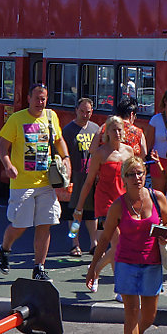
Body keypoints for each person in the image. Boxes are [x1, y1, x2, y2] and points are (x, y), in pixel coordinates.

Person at [86, 155, 167, 334]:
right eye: (131, 174)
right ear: (124, 179)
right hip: (126, 263)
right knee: (132, 312)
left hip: (152, 263)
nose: (137, 178)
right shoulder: (118, 206)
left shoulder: (157, 197)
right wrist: (93, 268)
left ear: (145, 174)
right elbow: (105, 239)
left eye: (140, 173)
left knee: (149, 316)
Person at [0, 83, 70, 281]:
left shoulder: (51, 116)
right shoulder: (16, 119)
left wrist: (66, 158)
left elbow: (59, 140)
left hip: (46, 182)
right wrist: (8, 165)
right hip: (22, 184)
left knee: (46, 223)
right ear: (28, 98)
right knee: (20, 225)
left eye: (43, 98)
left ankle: (39, 267)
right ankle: (4, 249)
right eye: (37, 98)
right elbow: (2, 147)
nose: (40, 102)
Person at [75, 117, 139, 280]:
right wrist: (79, 208)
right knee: (117, 243)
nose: (117, 133)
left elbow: (133, 178)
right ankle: (120, 285)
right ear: (107, 133)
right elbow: (89, 182)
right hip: (105, 202)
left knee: (126, 243)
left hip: (124, 200)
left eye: (119, 130)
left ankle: (95, 269)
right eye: (113, 130)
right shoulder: (100, 153)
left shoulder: (129, 151)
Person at [63, 97, 100, 256]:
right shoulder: (68, 130)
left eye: (88, 112)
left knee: (92, 214)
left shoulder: (95, 128)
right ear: (76, 111)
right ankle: (74, 243)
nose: (85, 115)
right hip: (75, 179)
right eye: (82, 111)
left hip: (91, 178)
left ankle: (94, 243)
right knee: (74, 215)